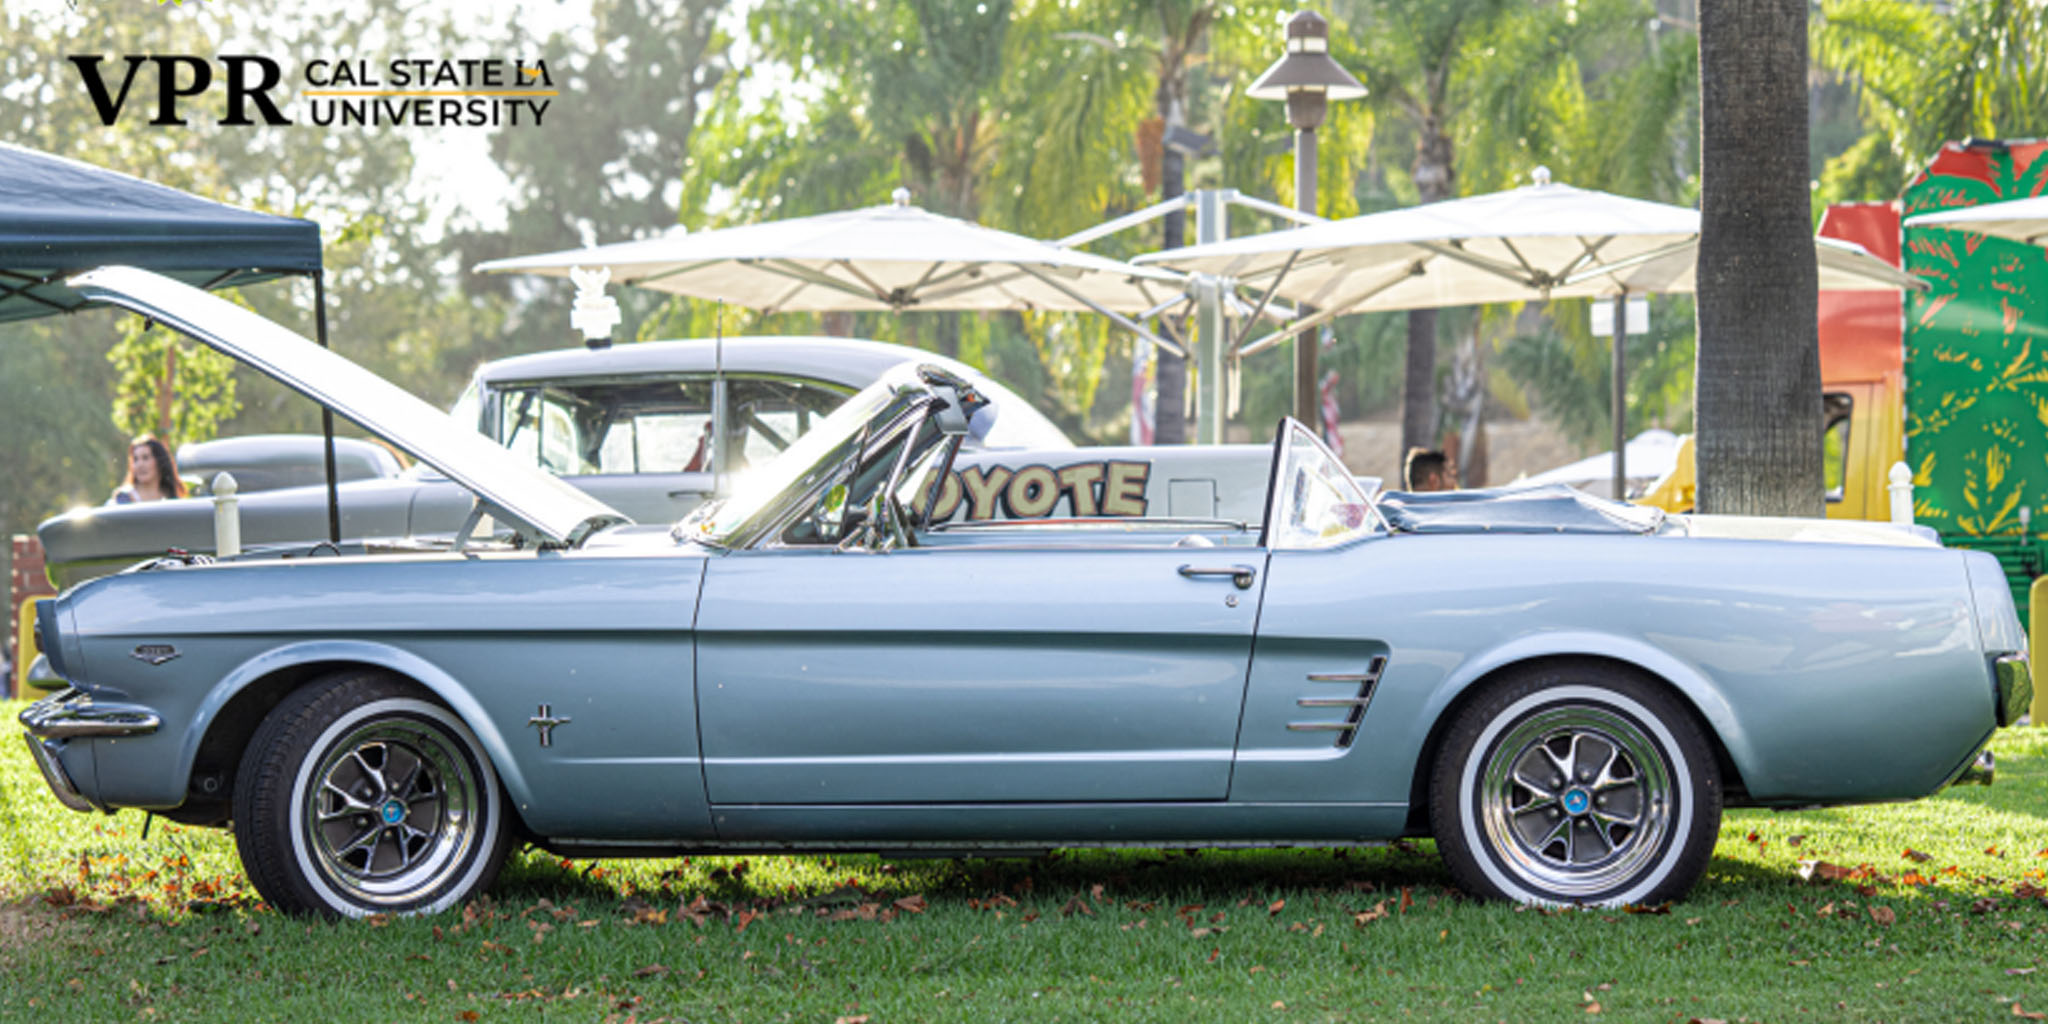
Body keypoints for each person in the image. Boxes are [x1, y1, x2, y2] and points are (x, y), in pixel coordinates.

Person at [107, 434, 186, 504]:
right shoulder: (123, 499)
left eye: (145, 458)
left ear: (159, 462)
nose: (140, 465)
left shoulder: (171, 498)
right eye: (135, 459)